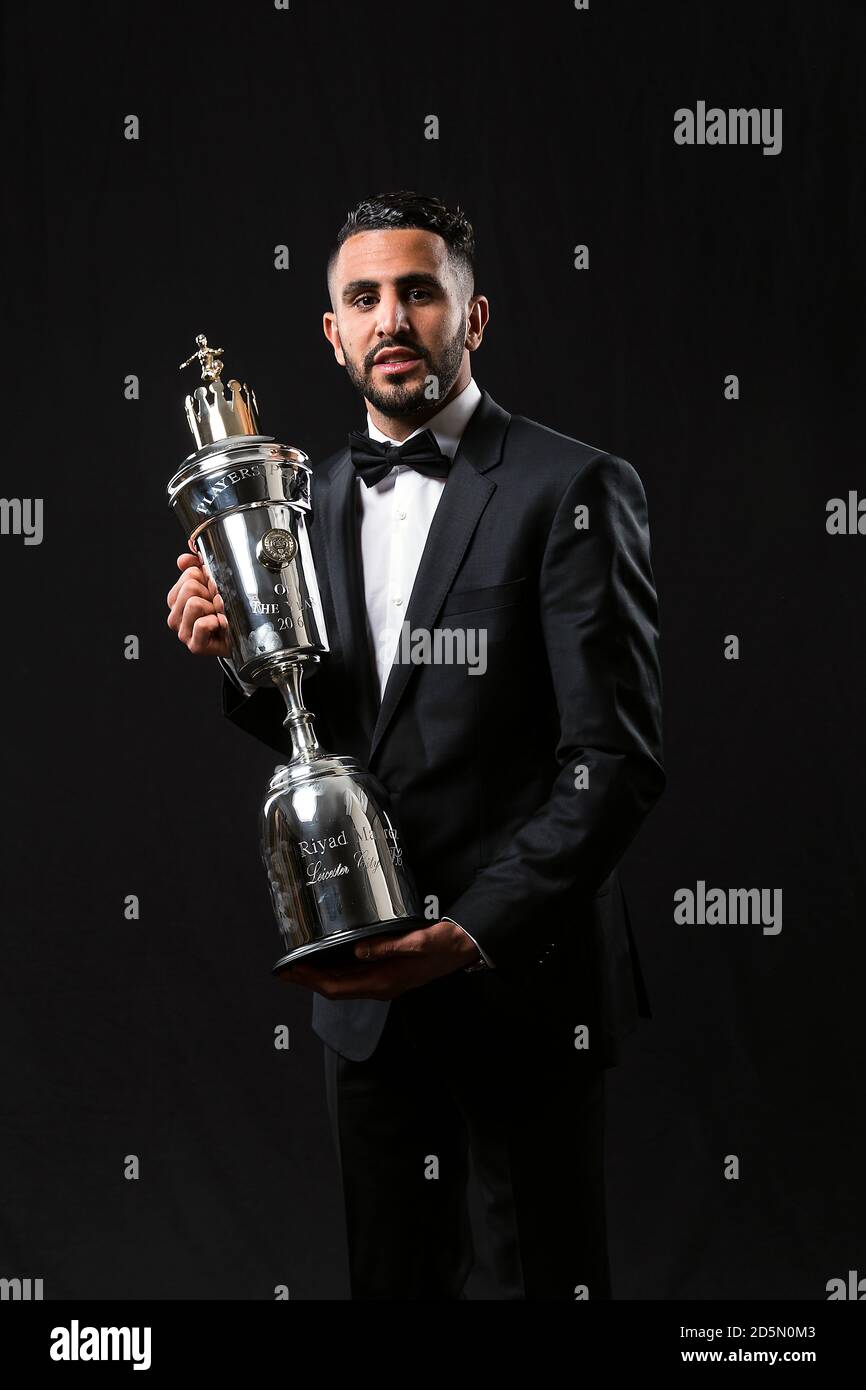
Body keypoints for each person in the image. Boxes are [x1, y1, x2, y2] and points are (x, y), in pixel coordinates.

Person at [166, 190, 665, 1300]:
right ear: (331, 334)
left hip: (522, 992)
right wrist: (235, 659)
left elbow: (614, 762)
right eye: (363, 298)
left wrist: (460, 938)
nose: (390, 318)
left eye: (417, 291)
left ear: (470, 318)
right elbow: (336, 733)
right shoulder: (304, 502)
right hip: (366, 1007)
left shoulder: (572, 486)